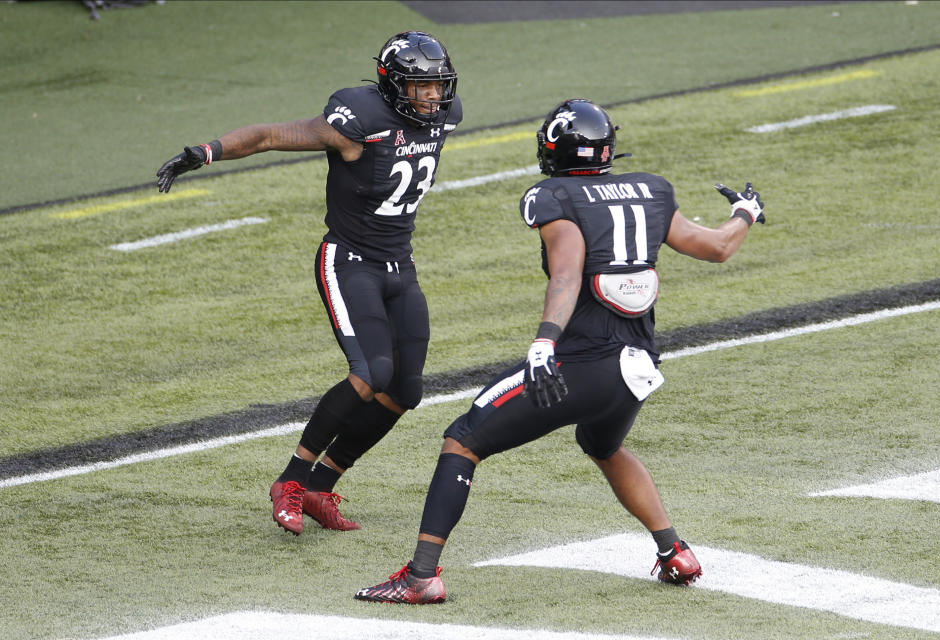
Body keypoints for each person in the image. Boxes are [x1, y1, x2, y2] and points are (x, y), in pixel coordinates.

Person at [354, 98, 766, 603]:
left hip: (584, 363)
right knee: (604, 446)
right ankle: (675, 552)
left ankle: (420, 576)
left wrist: (545, 341)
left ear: (555, 149)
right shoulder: (652, 190)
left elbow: (569, 272)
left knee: (462, 440)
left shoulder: (552, 196)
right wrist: (745, 213)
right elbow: (717, 246)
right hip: (635, 368)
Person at [155, 32, 462, 535]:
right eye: (420, 85)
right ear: (392, 85)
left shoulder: (446, 115)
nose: (432, 96)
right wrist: (204, 152)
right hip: (349, 261)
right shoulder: (354, 121)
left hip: (399, 266)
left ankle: (323, 484)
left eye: (437, 84)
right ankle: (292, 480)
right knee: (371, 372)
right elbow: (271, 135)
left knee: (405, 389)